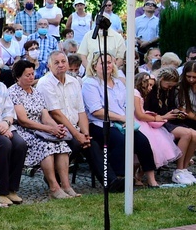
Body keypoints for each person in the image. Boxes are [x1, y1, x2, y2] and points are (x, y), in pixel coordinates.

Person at [81, 53, 159, 187]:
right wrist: (122, 118)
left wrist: (126, 118)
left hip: (121, 122)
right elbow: (96, 111)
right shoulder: (90, 83)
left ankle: (151, 179)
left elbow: (127, 104)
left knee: (142, 141)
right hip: (100, 124)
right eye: (103, 63)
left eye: (109, 62)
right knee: (121, 141)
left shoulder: (118, 82)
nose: (107, 65)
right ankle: (119, 178)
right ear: (94, 66)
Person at [37, 51, 107, 191]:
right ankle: (56, 179)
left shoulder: (74, 82)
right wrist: (77, 135)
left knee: (90, 144)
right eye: (56, 63)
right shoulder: (45, 83)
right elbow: (55, 113)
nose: (61, 65)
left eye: (63, 61)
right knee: (75, 144)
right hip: (56, 129)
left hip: (75, 129)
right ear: (49, 66)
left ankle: (109, 182)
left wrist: (85, 134)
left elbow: (81, 111)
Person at [8, 60, 75, 199]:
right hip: (24, 130)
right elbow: (23, 121)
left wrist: (55, 127)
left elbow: (45, 115)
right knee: (46, 147)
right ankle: (54, 187)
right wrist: (49, 129)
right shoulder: (13, 92)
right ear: (18, 77)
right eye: (27, 75)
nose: (31, 77)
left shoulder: (36, 92)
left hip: (41, 129)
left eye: (32, 74)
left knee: (61, 145)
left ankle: (66, 186)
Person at [143, 67, 196, 183]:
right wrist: (165, 115)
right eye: (168, 85)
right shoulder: (152, 90)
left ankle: (184, 169)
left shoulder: (170, 91)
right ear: (161, 79)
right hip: (158, 122)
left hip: (170, 120)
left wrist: (177, 112)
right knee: (186, 134)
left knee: (194, 134)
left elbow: (172, 106)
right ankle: (178, 170)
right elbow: (149, 111)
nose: (170, 88)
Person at [133, 72, 182, 172]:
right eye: (149, 85)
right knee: (152, 145)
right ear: (141, 83)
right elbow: (139, 114)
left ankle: (139, 175)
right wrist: (156, 118)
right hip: (139, 121)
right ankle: (136, 175)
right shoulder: (135, 93)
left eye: (152, 85)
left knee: (157, 145)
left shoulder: (141, 95)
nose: (151, 88)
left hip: (144, 121)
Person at [0, 76, 26, 207]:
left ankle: (12, 188)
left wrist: (6, 123)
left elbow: (9, 111)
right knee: (4, 144)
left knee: (20, 144)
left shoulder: (1, 86)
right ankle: (1, 190)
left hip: (6, 126)